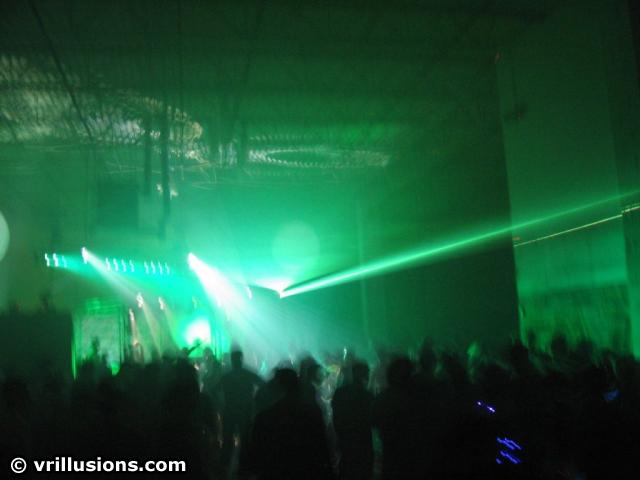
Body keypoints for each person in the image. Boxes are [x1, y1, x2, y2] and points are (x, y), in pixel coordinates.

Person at [248, 368, 334, 480]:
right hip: (305, 472)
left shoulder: (264, 417)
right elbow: (322, 448)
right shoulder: (312, 414)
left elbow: (255, 455)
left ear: (277, 387)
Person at [219, 350, 264, 473]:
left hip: (230, 410)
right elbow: (263, 384)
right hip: (244, 410)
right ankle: (244, 467)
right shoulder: (247, 374)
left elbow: (215, 390)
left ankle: (225, 467)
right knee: (245, 440)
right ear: (241, 359)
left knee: (228, 439)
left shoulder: (226, 376)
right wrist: (256, 401)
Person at [331, 362, 373, 480]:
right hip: (363, 440)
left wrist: (339, 434)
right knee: (363, 470)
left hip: (346, 438)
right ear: (364, 375)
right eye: (367, 373)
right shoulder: (367, 395)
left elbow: (336, 417)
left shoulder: (340, 392)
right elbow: (372, 419)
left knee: (347, 468)